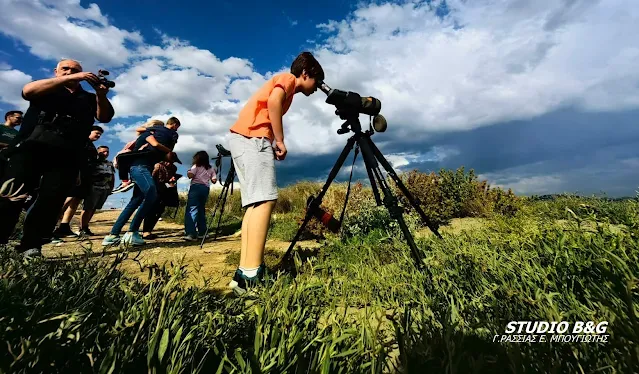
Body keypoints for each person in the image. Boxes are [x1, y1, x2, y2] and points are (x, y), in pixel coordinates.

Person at [227, 51, 324, 294]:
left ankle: (243, 272)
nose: (316, 88)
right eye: (317, 81)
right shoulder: (288, 80)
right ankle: (252, 274)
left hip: (243, 139)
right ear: (305, 74)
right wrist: (279, 140)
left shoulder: (286, 83)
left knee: (255, 204)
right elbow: (273, 102)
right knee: (266, 200)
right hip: (253, 139)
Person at [0, 58, 114, 257]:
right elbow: (27, 91)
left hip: (67, 154)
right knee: (12, 194)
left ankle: (31, 245)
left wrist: (100, 95)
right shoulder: (47, 88)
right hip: (30, 148)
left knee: (51, 200)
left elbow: (104, 116)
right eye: (65, 69)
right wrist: (74, 77)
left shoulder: (87, 97)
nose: (70, 72)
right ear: (56, 71)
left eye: (75, 70)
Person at [102, 117, 180, 246]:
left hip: (143, 169)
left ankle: (113, 235)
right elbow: (156, 145)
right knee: (151, 193)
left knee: (135, 200)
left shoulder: (151, 139)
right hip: (140, 168)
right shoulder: (148, 135)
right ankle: (132, 232)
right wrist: (169, 151)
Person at [52, 126, 104, 238]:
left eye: (100, 134)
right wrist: (76, 173)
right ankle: (49, 227)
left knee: (75, 201)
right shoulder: (81, 142)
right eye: (97, 133)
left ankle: (64, 227)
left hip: (86, 177)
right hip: (76, 175)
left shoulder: (91, 146)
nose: (98, 136)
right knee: (67, 200)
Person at [111, 119, 161, 194]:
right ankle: (126, 181)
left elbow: (154, 144)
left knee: (122, 158)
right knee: (122, 158)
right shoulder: (147, 133)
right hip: (138, 153)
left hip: (143, 155)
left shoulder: (152, 135)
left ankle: (126, 181)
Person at [78, 145, 115, 235]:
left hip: (105, 188)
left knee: (95, 208)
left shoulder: (109, 163)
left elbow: (112, 176)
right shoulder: (92, 162)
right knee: (88, 208)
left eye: (107, 152)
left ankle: (86, 226)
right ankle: (82, 228)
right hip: (94, 188)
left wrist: (111, 188)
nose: (105, 153)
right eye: (103, 152)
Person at [140, 160, 178, 239]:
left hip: (165, 190)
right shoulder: (157, 166)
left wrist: (172, 180)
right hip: (155, 189)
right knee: (151, 211)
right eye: (168, 161)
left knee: (159, 211)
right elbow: (152, 178)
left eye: (171, 162)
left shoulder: (173, 168)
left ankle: (149, 230)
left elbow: (171, 179)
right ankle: (145, 231)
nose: (169, 163)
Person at [184, 151, 217, 241]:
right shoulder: (211, 168)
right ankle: (202, 232)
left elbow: (190, 175)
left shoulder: (196, 166)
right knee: (201, 209)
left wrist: (188, 172)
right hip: (205, 188)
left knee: (192, 209)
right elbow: (214, 180)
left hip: (195, 187)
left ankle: (191, 233)